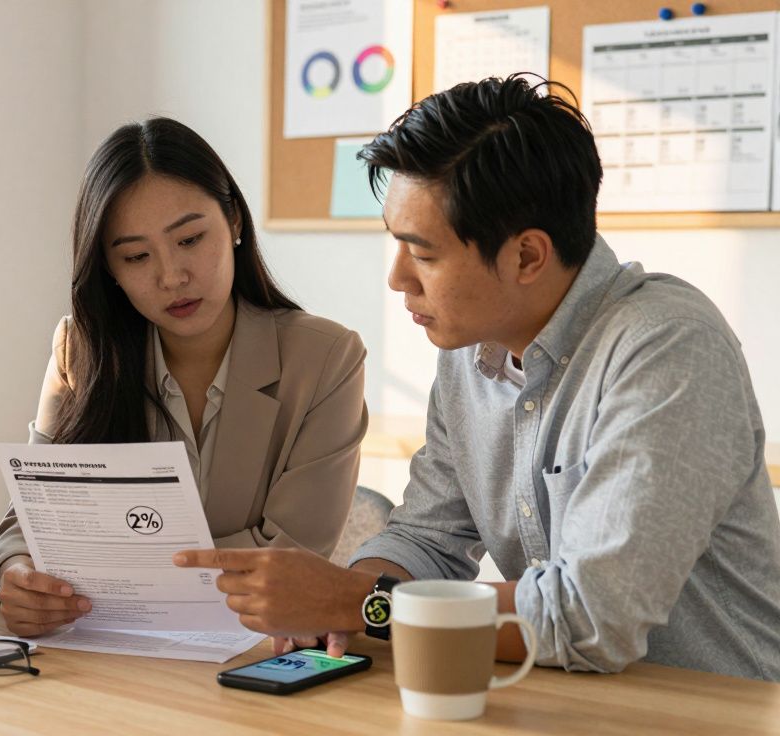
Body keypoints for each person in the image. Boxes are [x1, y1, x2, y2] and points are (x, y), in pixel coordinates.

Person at [176, 75, 780, 681]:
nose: (398, 278)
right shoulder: (471, 351)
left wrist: (358, 603)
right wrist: (338, 602)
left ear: (527, 256)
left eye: (423, 254)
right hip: (560, 701)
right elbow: (427, 538)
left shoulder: (668, 348)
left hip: (715, 708)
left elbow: (591, 616)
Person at [0, 117, 369, 637]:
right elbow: (31, 519)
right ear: (110, 270)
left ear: (234, 221)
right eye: (136, 256)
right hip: (102, 649)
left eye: (190, 239)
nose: (172, 276)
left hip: (250, 650)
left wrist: (105, 572)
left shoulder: (326, 358)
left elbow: (288, 558)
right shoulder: (80, 350)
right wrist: (17, 576)